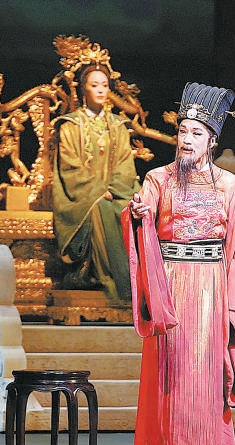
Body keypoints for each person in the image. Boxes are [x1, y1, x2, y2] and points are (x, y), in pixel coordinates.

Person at [122, 82, 235, 445]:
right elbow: (142, 216)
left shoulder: (229, 185)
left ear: (211, 141)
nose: (186, 139)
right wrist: (139, 214)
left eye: (196, 133)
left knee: (206, 370)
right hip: (172, 284)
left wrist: (233, 305)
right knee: (174, 369)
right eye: (182, 131)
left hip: (211, 286)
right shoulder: (158, 178)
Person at [52, 63, 140, 303]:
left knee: (131, 210)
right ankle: (113, 282)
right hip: (82, 197)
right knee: (102, 208)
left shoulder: (118, 126)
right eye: (94, 85)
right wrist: (100, 191)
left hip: (117, 192)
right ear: (84, 89)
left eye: (104, 85)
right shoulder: (70, 125)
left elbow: (125, 166)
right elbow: (70, 167)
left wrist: (113, 189)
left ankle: (138, 284)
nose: (101, 90)